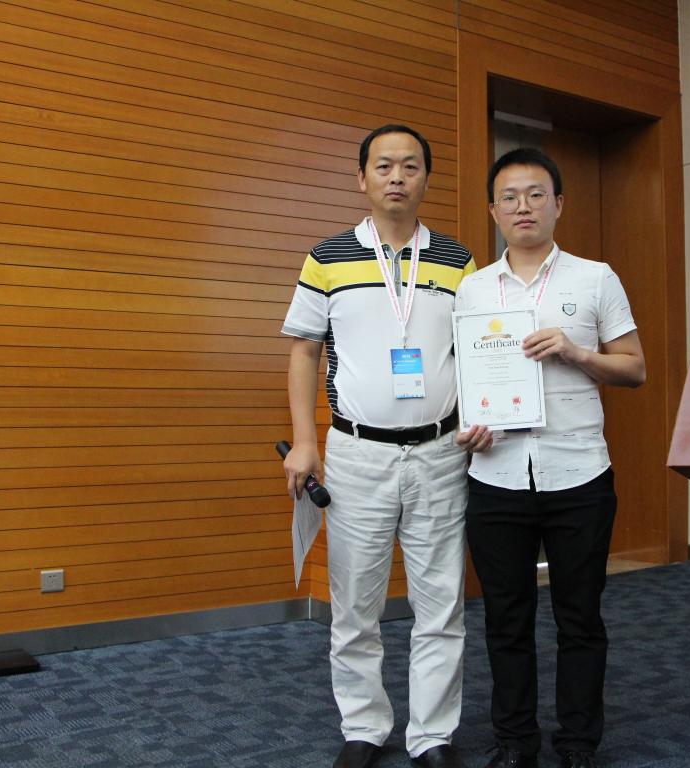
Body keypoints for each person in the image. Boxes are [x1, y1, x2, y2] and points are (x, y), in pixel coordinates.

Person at [282, 125, 484, 768]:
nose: (397, 177)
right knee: (355, 604)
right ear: (361, 177)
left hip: (440, 454)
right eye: (384, 165)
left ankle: (432, 736)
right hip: (356, 454)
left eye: (411, 166)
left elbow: (476, 351)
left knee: (441, 604)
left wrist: (485, 417)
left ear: (426, 178)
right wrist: (305, 442)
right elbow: (304, 351)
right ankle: (364, 728)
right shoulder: (327, 257)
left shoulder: (457, 261)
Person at [454, 148, 646, 768]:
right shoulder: (472, 289)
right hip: (496, 474)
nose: (523, 207)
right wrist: (470, 426)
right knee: (505, 619)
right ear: (493, 211)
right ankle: (515, 742)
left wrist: (576, 352)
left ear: (558, 204)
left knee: (579, 617)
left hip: (579, 472)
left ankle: (578, 744)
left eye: (536, 194)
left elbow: (634, 368)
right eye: (509, 197)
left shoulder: (595, 278)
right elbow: (465, 380)